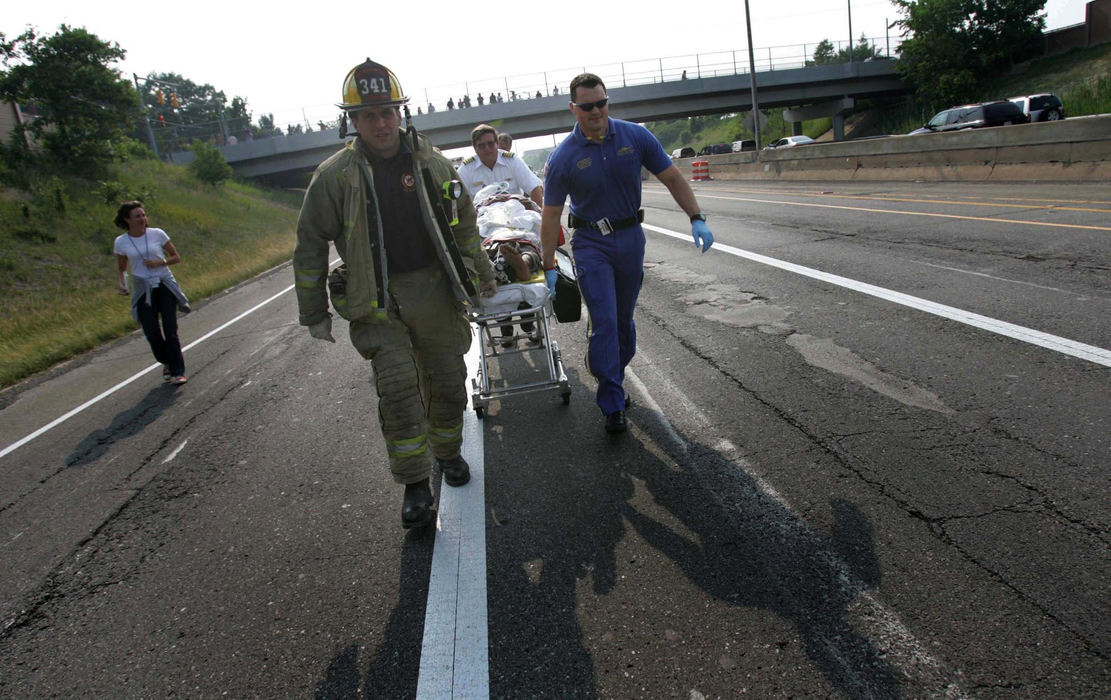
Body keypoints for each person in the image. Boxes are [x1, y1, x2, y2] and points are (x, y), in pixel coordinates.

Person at [293, 58, 496, 530]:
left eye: (388, 112)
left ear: (401, 113)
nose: (381, 123)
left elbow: (464, 224)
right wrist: (313, 313)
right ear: (354, 122)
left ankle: (447, 454)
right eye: (369, 116)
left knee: (447, 381)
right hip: (375, 300)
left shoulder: (433, 162)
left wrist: (482, 273)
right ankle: (414, 486)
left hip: (433, 291)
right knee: (399, 390)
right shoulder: (334, 177)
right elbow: (309, 245)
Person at [540, 72, 714, 434]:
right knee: (605, 320)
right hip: (591, 243)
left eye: (601, 103)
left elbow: (673, 177)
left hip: (630, 239)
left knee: (623, 323)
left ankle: (612, 372)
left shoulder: (635, 136)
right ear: (574, 109)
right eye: (587, 106)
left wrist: (696, 217)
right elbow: (551, 214)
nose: (596, 111)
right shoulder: (563, 158)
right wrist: (548, 264)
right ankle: (612, 403)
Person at [113, 201, 190, 385]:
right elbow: (122, 268)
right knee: (152, 332)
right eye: (137, 216)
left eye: (143, 215)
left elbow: (176, 257)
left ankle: (178, 370)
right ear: (127, 219)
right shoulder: (121, 242)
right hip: (143, 289)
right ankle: (166, 361)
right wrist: (122, 283)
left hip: (164, 285)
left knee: (170, 330)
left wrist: (159, 263)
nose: (142, 219)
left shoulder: (157, 233)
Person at [458, 123, 543, 207]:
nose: (487, 149)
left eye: (490, 144)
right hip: (482, 218)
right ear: (475, 148)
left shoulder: (511, 161)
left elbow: (534, 188)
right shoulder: (467, 169)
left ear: (497, 144)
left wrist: (538, 215)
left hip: (514, 215)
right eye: (481, 146)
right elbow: (457, 201)